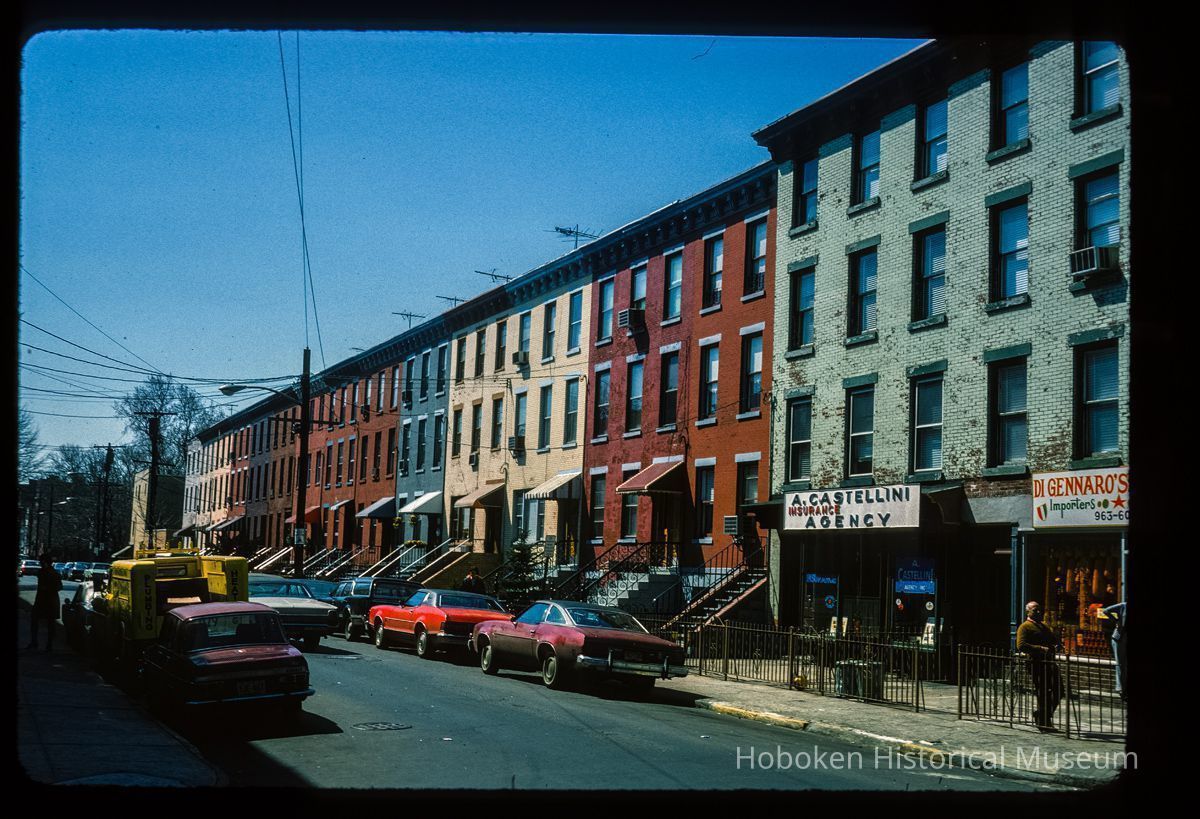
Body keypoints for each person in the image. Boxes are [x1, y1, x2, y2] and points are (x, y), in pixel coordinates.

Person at [1016, 600, 1063, 731]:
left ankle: (1041, 715)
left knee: (1059, 691)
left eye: (1039, 609)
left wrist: (1058, 644)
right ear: (1028, 611)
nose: (1038, 612)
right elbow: (1021, 646)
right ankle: (1044, 722)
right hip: (1036, 663)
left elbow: (1053, 639)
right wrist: (1040, 648)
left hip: (1049, 662)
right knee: (1043, 692)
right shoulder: (1024, 627)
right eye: (1034, 610)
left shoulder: (1044, 626)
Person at [28, 553, 63, 651]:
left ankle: (48, 644)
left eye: (42, 562)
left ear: (46, 562)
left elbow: (60, 587)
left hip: (50, 601)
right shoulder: (41, 572)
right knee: (36, 621)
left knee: (49, 623)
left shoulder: (54, 574)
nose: (40, 563)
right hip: (42, 600)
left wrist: (47, 588)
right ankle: (36, 642)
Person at [1102, 600, 1127, 700]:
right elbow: (1106, 610)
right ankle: (1121, 689)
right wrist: (1116, 620)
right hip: (1119, 638)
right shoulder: (1123, 606)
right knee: (1120, 664)